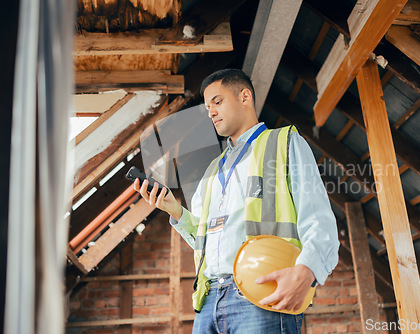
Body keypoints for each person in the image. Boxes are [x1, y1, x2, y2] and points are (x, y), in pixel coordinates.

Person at [134, 69, 339, 333]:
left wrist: (307, 272)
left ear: (245, 97)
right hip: (209, 304)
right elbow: (205, 242)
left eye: (217, 102)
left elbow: (319, 219)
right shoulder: (212, 171)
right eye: (208, 107)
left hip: (262, 296)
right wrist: (175, 210)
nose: (211, 113)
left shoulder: (284, 143)